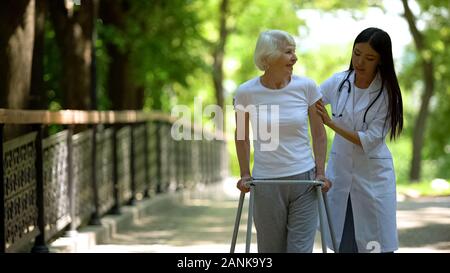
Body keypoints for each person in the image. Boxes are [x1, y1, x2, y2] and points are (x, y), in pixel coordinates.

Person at [233, 29, 331, 253]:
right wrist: (245, 174)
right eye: (288, 52)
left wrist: (321, 172)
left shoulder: (307, 87)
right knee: (270, 251)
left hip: (304, 181)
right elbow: (241, 136)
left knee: (300, 250)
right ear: (268, 57)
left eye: (294, 52)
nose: (294, 57)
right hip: (267, 183)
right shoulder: (246, 93)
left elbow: (319, 134)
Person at [316, 27, 403, 253]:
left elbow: (370, 140)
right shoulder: (339, 82)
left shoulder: (387, 93)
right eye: (356, 53)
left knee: (377, 245)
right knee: (343, 244)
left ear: (381, 60)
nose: (360, 62)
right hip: (341, 174)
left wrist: (332, 123)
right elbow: (309, 100)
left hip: (373, 177)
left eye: (369, 57)